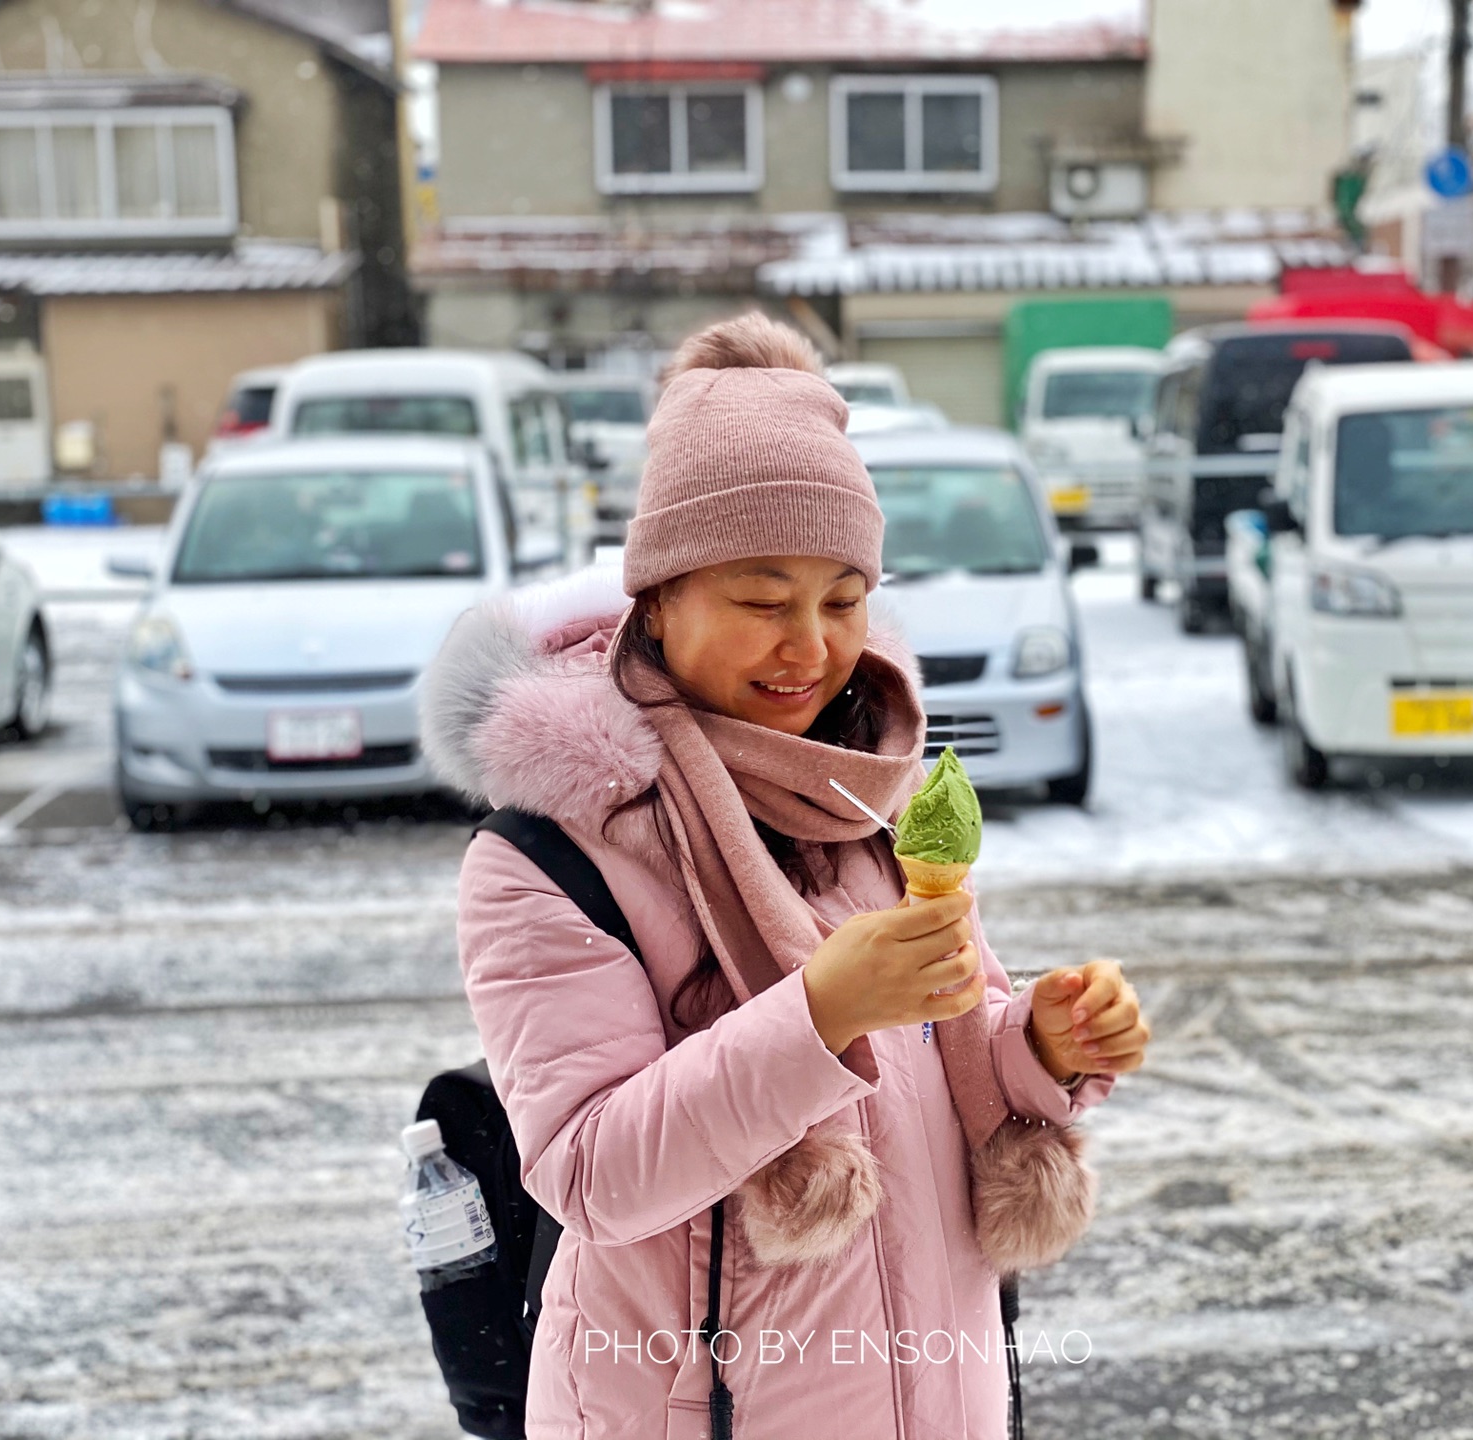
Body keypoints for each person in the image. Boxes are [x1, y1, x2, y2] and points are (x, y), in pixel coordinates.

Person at [421, 312, 1150, 1439]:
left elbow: (940, 1060)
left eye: (842, 600)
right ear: (658, 600)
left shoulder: (859, 802)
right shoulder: (552, 855)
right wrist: (819, 1016)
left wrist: (1037, 1045)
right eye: (763, 601)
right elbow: (591, 1172)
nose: (810, 646)